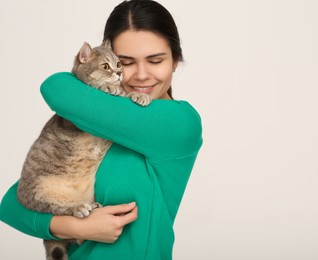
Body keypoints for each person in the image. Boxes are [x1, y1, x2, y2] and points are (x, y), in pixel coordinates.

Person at [0, 0, 203, 259]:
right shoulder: (99, 124)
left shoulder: (180, 121)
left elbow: (58, 89)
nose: (141, 75)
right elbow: (9, 206)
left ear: (175, 61)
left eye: (155, 60)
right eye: (126, 62)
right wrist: (77, 226)